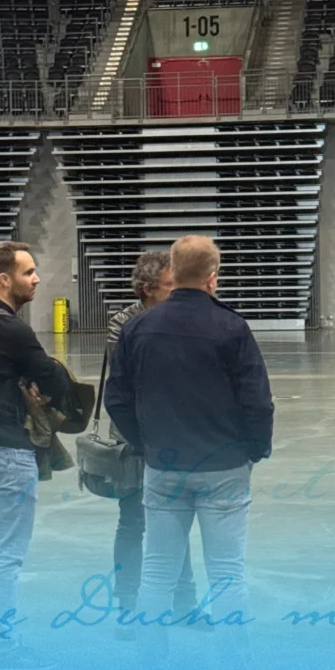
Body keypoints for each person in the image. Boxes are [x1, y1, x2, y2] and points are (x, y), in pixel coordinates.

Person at [104, 235, 274, 660]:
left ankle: (150, 664)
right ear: (213, 276)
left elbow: (117, 399)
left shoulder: (137, 329)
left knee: (157, 571)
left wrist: (146, 443)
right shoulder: (232, 327)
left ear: (174, 271)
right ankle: (236, 667)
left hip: (163, 466)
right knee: (227, 573)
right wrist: (255, 449)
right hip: (224, 466)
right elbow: (257, 400)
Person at [0, 241, 76, 670]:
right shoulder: (10, 328)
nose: (37, 279)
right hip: (8, 450)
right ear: (5, 279)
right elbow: (54, 380)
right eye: (28, 272)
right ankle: (3, 647)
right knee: (6, 554)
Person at [106, 251, 201, 639]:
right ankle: (128, 607)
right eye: (169, 286)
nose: (177, 292)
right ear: (147, 290)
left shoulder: (182, 319)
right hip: (134, 439)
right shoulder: (122, 324)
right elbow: (132, 383)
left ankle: (185, 605)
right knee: (132, 522)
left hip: (176, 438)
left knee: (177, 520)